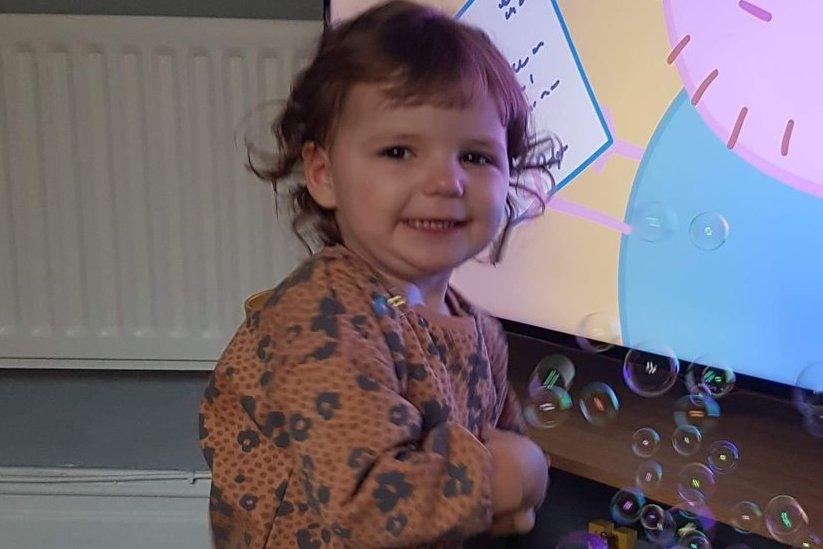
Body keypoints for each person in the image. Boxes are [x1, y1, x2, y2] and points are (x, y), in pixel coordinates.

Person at [198, 1, 562, 546]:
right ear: (323, 175)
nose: (447, 181)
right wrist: (508, 479)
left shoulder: (479, 330)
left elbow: (497, 461)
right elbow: (369, 506)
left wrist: (508, 492)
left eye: (477, 157)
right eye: (398, 151)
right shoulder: (323, 316)